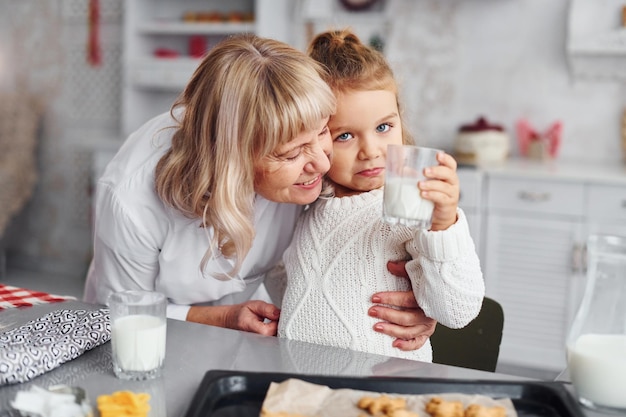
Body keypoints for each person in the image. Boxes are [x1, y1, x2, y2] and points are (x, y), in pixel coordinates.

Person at [83, 33, 436, 348]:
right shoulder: (131, 197)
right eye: (291, 153)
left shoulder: (320, 156)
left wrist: (422, 303)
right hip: (148, 341)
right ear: (233, 160)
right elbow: (115, 313)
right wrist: (219, 318)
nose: (323, 165)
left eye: (323, 133)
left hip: (255, 339)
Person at [275, 29, 485, 361]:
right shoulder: (304, 202)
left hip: (384, 388)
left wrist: (442, 224)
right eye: (344, 135)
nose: (371, 151)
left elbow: (458, 310)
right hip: (303, 386)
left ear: (400, 120)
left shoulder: (412, 203)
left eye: (384, 127)